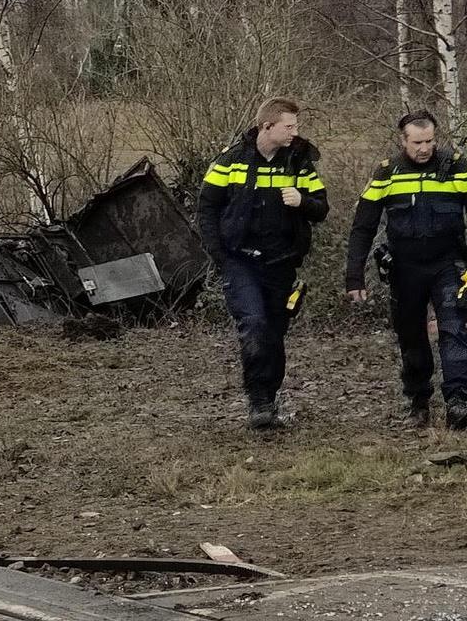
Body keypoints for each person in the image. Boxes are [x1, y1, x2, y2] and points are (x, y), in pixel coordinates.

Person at [197, 97, 329, 430]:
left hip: (281, 263)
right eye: (289, 126)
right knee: (254, 324)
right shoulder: (230, 161)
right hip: (240, 261)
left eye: (296, 126)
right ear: (267, 127)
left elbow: (321, 208)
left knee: (273, 333)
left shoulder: (298, 162)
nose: (295, 132)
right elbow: (206, 210)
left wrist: (302, 202)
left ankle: (269, 399)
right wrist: (221, 258)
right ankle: (258, 401)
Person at [345, 110, 467, 428]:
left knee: (454, 329)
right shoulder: (388, 172)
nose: (424, 148)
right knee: (411, 336)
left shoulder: (456, 166)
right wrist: (354, 276)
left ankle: (458, 401)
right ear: (403, 141)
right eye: (417, 143)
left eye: (429, 141)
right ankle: (418, 401)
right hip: (406, 268)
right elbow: (363, 226)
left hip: (448, 264)